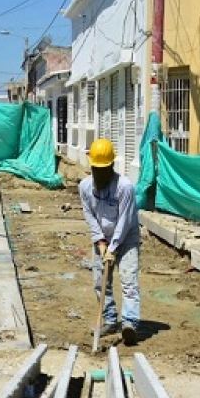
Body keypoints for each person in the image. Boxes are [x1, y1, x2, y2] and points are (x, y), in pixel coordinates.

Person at [79, 138, 141, 346]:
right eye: (96, 169)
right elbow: (90, 216)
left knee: (128, 279)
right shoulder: (85, 187)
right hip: (103, 239)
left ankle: (130, 323)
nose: (100, 173)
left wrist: (113, 248)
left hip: (127, 237)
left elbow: (124, 220)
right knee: (100, 281)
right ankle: (111, 319)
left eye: (103, 169)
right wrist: (101, 243)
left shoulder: (125, 188)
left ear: (112, 166)